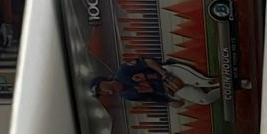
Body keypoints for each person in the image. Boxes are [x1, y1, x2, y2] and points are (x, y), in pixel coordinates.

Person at [93, 54, 221, 107]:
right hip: (171, 88)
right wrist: (169, 102)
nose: (104, 92)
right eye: (100, 93)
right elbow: (152, 97)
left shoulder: (123, 71)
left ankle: (231, 81)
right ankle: (229, 88)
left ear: (103, 81)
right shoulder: (127, 95)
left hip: (168, 72)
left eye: (100, 89)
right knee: (204, 100)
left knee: (205, 82)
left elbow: (148, 62)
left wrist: (164, 73)